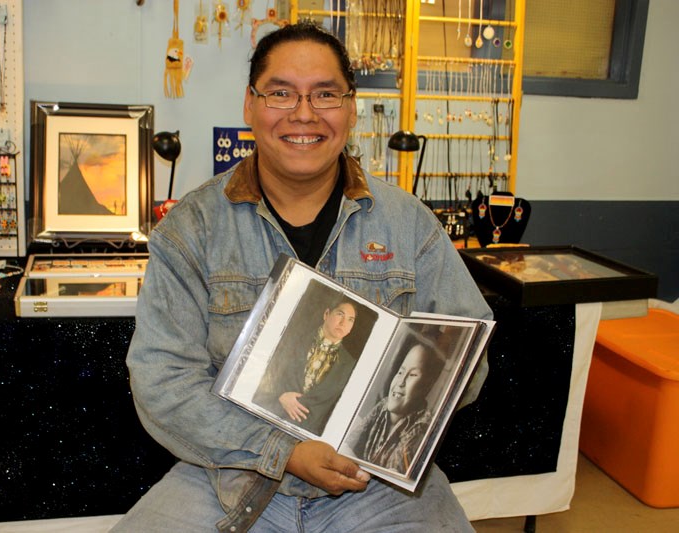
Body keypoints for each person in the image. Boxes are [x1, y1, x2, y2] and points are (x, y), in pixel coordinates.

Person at [113, 21, 492, 533]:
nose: (304, 113)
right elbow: (162, 381)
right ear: (250, 105)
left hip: (377, 484)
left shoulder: (409, 224)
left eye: (325, 94)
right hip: (229, 472)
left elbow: (467, 361)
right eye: (281, 93)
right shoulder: (192, 228)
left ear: (351, 107)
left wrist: (408, 405)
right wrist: (283, 451)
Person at [252, 296, 358, 435]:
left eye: (350, 320)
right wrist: (280, 396)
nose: (344, 323)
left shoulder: (351, 366)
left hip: (304, 436)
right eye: (340, 314)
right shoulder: (292, 337)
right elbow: (258, 370)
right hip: (265, 416)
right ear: (326, 314)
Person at [345, 338, 446, 475]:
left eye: (412, 375)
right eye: (400, 372)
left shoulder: (422, 426)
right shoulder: (383, 405)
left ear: (427, 385)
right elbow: (350, 443)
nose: (400, 382)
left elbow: (393, 471)